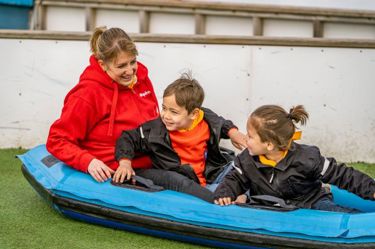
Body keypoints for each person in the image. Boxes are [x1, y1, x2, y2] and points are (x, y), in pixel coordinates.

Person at [46, 27, 159, 182]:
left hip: (153, 158)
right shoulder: (87, 94)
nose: (130, 71)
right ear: (103, 64)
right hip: (119, 169)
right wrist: (87, 161)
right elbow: (57, 140)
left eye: (133, 62)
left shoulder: (142, 79)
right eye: (121, 66)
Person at [214, 104, 375, 212]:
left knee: (341, 217)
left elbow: (342, 175)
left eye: (250, 136)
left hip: (311, 203)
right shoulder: (246, 160)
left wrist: (371, 190)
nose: (245, 139)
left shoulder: (307, 158)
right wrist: (225, 192)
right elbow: (234, 178)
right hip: (270, 206)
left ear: (269, 145)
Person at [115, 73, 247, 202]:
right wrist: (125, 162)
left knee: (243, 165)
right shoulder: (155, 130)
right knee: (189, 185)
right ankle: (223, 199)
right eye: (164, 108)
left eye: (173, 112)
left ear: (194, 114)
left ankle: (241, 195)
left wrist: (233, 132)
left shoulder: (204, 118)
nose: (166, 115)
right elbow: (128, 137)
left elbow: (221, 123)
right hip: (186, 183)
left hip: (209, 176)